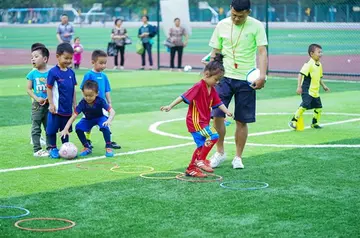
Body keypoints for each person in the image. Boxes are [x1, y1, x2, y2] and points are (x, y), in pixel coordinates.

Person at [208, 0, 268, 169]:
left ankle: (238, 157)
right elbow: (215, 52)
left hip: (247, 79)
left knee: (242, 120)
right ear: (230, 10)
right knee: (216, 115)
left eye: (240, 16)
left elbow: (262, 52)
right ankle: (220, 153)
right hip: (223, 78)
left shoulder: (257, 26)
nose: (235, 19)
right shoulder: (221, 25)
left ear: (248, 12)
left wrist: (262, 75)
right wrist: (210, 77)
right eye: (233, 14)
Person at [160, 54, 233, 177]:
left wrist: (226, 112)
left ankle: (191, 169)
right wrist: (170, 106)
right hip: (196, 121)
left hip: (203, 121)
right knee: (214, 136)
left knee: (201, 146)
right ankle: (201, 160)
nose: (218, 82)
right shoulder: (199, 86)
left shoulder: (212, 89)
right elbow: (183, 96)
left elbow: (218, 102)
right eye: (216, 79)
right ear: (206, 75)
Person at [60, 80, 116, 157]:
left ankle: (108, 147)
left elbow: (112, 111)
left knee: (105, 126)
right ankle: (87, 147)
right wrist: (66, 128)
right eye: (86, 95)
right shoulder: (82, 103)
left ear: (97, 93)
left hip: (100, 118)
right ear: (82, 93)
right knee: (78, 127)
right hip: (88, 119)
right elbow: (74, 116)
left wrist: (109, 120)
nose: (88, 98)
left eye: (91, 96)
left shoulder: (100, 101)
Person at [80, 50, 121, 150]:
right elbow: (83, 88)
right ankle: (88, 140)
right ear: (93, 62)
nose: (103, 65)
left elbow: (107, 90)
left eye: (105, 63)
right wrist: (86, 101)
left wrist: (109, 102)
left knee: (105, 122)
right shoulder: (89, 75)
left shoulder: (104, 76)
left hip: (101, 105)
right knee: (87, 122)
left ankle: (109, 141)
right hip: (89, 105)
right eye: (101, 63)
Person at [46, 43, 77, 159]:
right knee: (52, 130)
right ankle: (53, 148)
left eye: (70, 58)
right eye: (66, 58)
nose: (69, 61)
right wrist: (51, 103)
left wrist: (75, 104)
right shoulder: (53, 72)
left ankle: (65, 148)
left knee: (66, 129)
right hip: (56, 109)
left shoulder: (71, 73)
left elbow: (73, 89)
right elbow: (48, 88)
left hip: (67, 109)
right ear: (58, 56)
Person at [289, 44, 330, 130]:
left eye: (321, 52)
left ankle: (314, 123)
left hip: (315, 91)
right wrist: (299, 87)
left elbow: (319, 78)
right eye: (318, 52)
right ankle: (293, 121)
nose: (320, 54)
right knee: (305, 105)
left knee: (319, 108)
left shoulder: (319, 65)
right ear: (312, 54)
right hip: (307, 90)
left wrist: (324, 86)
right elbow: (300, 75)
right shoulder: (308, 64)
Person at [26, 43, 50, 157]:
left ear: (45, 59)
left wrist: (50, 100)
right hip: (37, 105)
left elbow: (53, 88)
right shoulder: (32, 73)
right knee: (36, 127)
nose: (33, 59)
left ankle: (51, 148)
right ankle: (37, 150)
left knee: (49, 127)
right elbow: (28, 89)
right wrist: (37, 98)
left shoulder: (50, 73)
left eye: (36, 56)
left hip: (49, 105)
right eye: (32, 57)